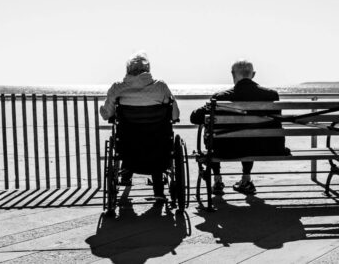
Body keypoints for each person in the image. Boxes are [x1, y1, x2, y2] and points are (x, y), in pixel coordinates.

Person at [190, 60, 288, 195]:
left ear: (232, 74)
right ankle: (246, 179)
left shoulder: (220, 97)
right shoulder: (271, 95)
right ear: (253, 74)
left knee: (211, 130)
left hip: (225, 150)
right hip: (264, 148)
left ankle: (217, 180)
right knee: (251, 136)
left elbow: (194, 117)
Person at [100, 50, 180, 201]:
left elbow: (107, 115)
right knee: (155, 137)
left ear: (128, 70)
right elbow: (175, 115)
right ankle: (158, 191)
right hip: (158, 147)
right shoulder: (161, 87)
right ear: (148, 69)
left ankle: (125, 174)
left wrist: (104, 111)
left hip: (128, 147)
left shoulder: (118, 88)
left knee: (132, 137)